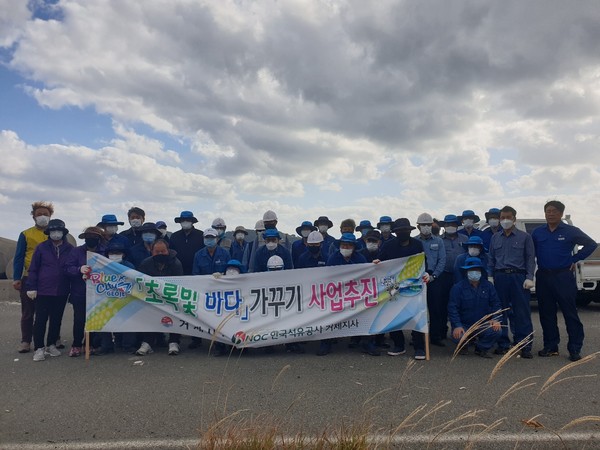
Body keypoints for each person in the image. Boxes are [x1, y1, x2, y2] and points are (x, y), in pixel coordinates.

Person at [532, 200, 598, 362]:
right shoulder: (537, 232)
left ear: (561, 213)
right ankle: (551, 346)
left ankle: (575, 348)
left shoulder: (570, 231)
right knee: (546, 314)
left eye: (554, 211)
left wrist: (575, 259)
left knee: (570, 313)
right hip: (543, 276)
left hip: (563, 276)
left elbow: (590, 244)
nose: (551, 214)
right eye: (548, 211)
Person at [488, 206, 536, 358]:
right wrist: (490, 276)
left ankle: (524, 345)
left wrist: (529, 277)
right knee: (500, 312)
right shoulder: (495, 237)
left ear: (515, 218)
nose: (505, 220)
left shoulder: (524, 237)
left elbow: (530, 258)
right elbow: (491, 259)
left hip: (518, 277)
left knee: (522, 313)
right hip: (500, 277)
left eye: (508, 217)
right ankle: (503, 344)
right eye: (502, 217)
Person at [377, 218, 428, 360]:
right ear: (396, 233)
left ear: (409, 231)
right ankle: (399, 344)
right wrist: (376, 263)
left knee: (416, 314)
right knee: (393, 314)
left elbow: (424, 263)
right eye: (399, 231)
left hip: (413, 284)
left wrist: (427, 272)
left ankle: (419, 347)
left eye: (405, 231)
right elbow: (380, 262)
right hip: (392, 285)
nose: (402, 233)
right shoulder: (388, 245)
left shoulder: (418, 245)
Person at [26, 219, 74, 361]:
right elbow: (33, 268)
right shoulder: (41, 248)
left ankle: (51, 344)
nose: (56, 234)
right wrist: (31, 287)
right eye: (53, 231)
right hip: (43, 290)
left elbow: (72, 268)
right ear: (49, 233)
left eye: (58, 231)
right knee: (40, 320)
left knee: (56, 319)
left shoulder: (70, 248)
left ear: (63, 232)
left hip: (62, 290)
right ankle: (39, 348)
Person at [13, 201, 53, 353]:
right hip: (29, 278)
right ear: (33, 217)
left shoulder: (55, 233)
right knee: (28, 312)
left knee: (49, 311)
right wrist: (17, 278)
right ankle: (26, 341)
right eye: (39, 214)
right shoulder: (25, 234)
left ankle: (52, 339)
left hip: (49, 279)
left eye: (46, 214)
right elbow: (19, 258)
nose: (43, 217)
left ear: (51, 216)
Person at [319, 233, 367, 356]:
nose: (345, 248)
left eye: (348, 245)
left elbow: (367, 275)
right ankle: (326, 344)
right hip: (337, 292)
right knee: (329, 316)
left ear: (354, 247)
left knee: (367, 313)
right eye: (343, 245)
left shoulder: (360, 258)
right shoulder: (333, 258)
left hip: (356, 292)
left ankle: (367, 344)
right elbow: (328, 277)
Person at [135, 239, 185, 356]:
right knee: (149, 315)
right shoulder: (145, 263)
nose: (160, 254)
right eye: (157, 252)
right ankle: (147, 342)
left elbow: (180, 283)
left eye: (163, 251)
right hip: (152, 297)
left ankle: (174, 341)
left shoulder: (176, 263)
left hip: (171, 297)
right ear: (151, 251)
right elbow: (139, 282)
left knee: (175, 315)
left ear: (168, 250)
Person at [64, 226, 107, 357]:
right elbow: (67, 268)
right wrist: (78, 269)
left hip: (98, 292)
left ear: (99, 239)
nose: (91, 240)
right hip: (79, 292)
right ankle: (76, 344)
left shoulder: (104, 252)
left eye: (94, 238)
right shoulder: (76, 252)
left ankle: (91, 344)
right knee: (79, 319)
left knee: (94, 319)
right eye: (89, 237)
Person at [448, 257, 502, 358]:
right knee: (458, 336)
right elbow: (452, 308)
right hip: (464, 324)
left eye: (476, 270)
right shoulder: (457, 288)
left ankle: (481, 348)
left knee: (497, 331)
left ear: (481, 271)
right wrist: (457, 325)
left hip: (482, 324)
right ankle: (464, 346)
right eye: (471, 270)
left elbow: (496, 304)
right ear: (466, 271)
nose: (474, 272)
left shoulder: (488, 286)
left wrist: (495, 319)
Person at [415, 213, 447, 347]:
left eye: (428, 224)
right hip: (418, 280)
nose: (426, 227)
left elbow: (442, 260)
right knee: (417, 310)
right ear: (418, 226)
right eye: (423, 225)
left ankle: (435, 336)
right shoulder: (414, 241)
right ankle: (416, 337)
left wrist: (434, 276)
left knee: (435, 309)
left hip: (434, 279)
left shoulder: (438, 241)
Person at [100, 241, 136, 354]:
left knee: (129, 320)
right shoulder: (101, 267)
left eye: (118, 252)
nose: (115, 255)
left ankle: (127, 345)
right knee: (102, 320)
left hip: (125, 298)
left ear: (123, 254)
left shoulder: (129, 266)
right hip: (106, 299)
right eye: (112, 253)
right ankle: (106, 346)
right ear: (107, 254)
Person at [438, 214, 468, 343]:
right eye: (448, 225)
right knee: (441, 305)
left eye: (453, 225)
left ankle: (459, 331)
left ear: (457, 226)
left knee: (460, 303)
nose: (450, 227)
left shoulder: (465, 238)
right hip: (443, 275)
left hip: (460, 275)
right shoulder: (439, 240)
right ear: (444, 226)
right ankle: (441, 332)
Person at [169, 211, 205, 276]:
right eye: (183, 220)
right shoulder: (174, 236)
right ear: (180, 222)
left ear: (192, 222)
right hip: (178, 271)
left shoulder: (201, 235)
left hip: (197, 271)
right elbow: (171, 253)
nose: (185, 222)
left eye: (188, 220)